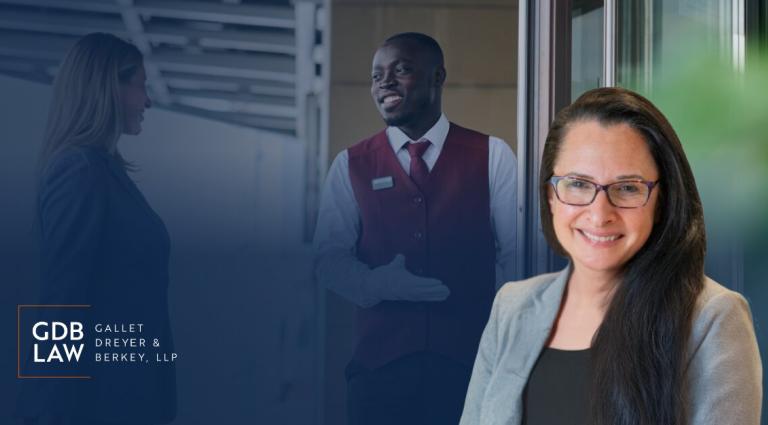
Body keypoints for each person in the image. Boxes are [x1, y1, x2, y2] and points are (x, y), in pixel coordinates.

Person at [460, 87, 762, 425]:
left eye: (628, 187)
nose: (599, 213)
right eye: (577, 184)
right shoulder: (511, 307)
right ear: (550, 196)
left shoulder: (712, 319)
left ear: (661, 201)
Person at [313, 32, 517, 425]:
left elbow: (518, 256)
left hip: (471, 370)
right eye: (376, 76)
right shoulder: (350, 164)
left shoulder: (493, 156)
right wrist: (377, 284)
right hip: (378, 375)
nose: (384, 83)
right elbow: (328, 259)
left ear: (437, 77)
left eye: (401, 70)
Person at [16, 33, 176, 425]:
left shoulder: (103, 173)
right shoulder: (80, 172)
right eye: (140, 86)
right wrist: (46, 411)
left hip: (126, 396)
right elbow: (61, 302)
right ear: (109, 88)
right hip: (99, 403)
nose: (148, 101)